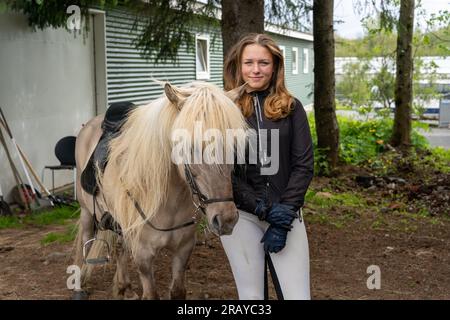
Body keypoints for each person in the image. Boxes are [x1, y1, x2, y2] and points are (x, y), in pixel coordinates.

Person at [220, 33, 314, 300]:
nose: (256, 69)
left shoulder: (292, 108)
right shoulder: (224, 109)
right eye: (249, 62)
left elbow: (303, 165)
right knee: (250, 298)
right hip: (242, 217)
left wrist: (282, 216)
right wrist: (260, 208)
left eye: (264, 62)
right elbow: (222, 171)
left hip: (287, 214)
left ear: (275, 67)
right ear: (238, 66)